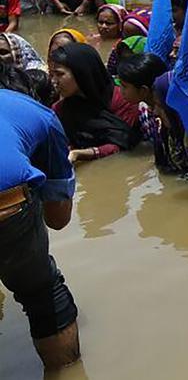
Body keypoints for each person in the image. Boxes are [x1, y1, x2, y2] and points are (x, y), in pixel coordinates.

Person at [0, 89, 81, 370]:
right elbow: (58, 218)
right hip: (7, 197)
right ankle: (68, 373)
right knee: (40, 291)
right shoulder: (38, 113)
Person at [48, 43, 139, 162]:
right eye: (51, 75)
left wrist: (83, 154)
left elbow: (124, 143)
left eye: (60, 74)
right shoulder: (60, 110)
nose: (54, 81)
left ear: (81, 73)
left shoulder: (123, 100)